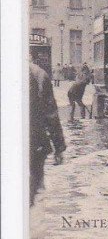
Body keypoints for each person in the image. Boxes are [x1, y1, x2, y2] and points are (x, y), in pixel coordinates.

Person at [30, 62, 66, 203]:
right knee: (34, 197)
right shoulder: (38, 74)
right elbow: (51, 115)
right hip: (35, 146)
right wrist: (59, 148)